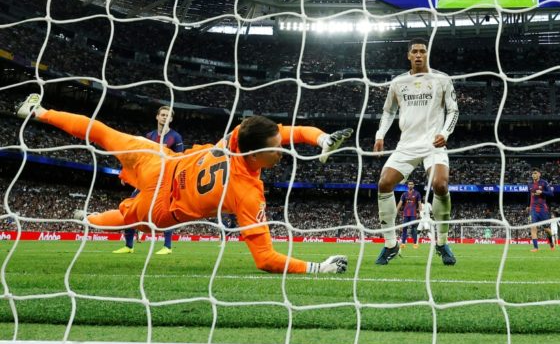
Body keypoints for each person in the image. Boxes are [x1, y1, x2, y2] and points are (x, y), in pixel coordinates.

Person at [17, 94, 351, 274]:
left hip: (163, 163)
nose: (283, 149)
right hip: (164, 207)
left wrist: (321, 139)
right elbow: (265, 259)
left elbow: (296, 132)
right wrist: (317, 268)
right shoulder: (248, 194)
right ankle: (89, 219)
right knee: (124, 217)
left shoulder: (241, 135)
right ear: (255, 152)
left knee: (104, 133)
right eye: (277, 148)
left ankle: (40, 111)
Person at [373, 38, 459, 265]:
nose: (419, 55)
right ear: (409, 55)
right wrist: (380, 135)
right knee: (384, 184)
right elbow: (388, 111)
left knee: (441, 185)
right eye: (415, 51)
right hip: (407, 145)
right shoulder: (398, 82)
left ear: (427, 54)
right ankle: (390, 245)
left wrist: (445, 133)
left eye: (422, 51)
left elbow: (454, 111)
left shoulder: (442, 79)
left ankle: (442, 243)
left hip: (433, 144)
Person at [113, 105, 184, 255]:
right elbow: (139, 157)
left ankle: (167, 246)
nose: (165, 117)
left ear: (171, 119)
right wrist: (126, 172)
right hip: (147, 180)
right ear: (157, 117)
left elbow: (180, 159)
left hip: (165, 180)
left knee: (166, 211)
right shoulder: (149, 136)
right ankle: (129, 246)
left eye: (168, 115)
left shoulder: (176, 137)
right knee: (131, 208)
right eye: (162, 115)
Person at [528, 167, 555, 252]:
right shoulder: (529, 184)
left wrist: (542, 192)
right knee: (533, 227)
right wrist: (528, 206)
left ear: (539, 174)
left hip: (543, 209)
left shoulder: (544, 183)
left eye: (535, 173)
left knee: (546, 229)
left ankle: (551, 243)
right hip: (533, 208)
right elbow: (530, 196)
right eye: (533, 173)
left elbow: (551, 193)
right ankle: (535, 247)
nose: (534, 175)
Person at [396, 181, 422, 249]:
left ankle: (415, 243)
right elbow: (400, 202)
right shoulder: (404, 194)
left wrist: (421, 212)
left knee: (414, 228)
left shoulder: (417, 193)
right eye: (409, 184)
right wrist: (396, 210)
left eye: (411, 184)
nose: (410, 185)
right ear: (407, 185)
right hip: (406, 214)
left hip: (413, 214)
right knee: (404, 228)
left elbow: (419, 203)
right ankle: (403, 243)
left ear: (413, 185)